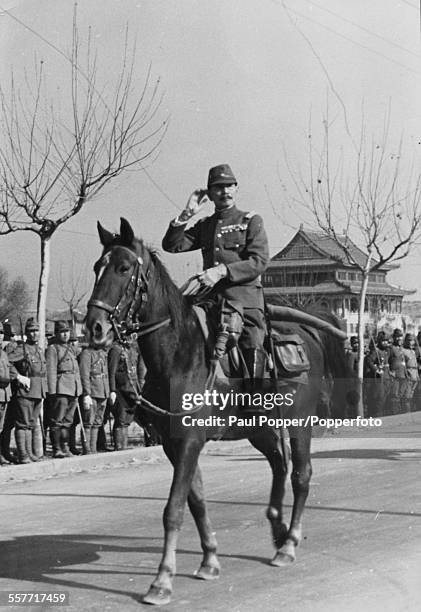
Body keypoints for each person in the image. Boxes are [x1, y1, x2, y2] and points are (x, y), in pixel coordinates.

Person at [162, 163, 269, 383]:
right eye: (218, 188)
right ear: (209, 194)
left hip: (244, 303)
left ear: (237, 188)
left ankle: (255, 403)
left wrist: (222, 271)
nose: (225, 192)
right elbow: (172, 246)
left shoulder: (250, 221)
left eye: (229, 186)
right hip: (210, 302)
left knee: (252, 341)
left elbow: (259, 261)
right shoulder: (206, 225)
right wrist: (186, 214)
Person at [8, 318, 47, 464]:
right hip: (25, 391)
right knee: (22, 424)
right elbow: (7, 361)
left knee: (30, 424)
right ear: (26, 333)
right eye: (31, 331)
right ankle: (22, 454)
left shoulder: (39, 350)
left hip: (38, 391)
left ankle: (29, 452)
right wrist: (18, 376)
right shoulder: (21, 349)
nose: (34, 334)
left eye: (36, 330)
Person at [46, 320, 82, 458]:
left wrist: (79, 389)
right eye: (62, 332)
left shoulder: (71, 349)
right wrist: (52, 392)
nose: (65, 335)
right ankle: (57, 449)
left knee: (68, 421)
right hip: (60, 389)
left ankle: (65, 447)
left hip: (73, 388)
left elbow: (76, 371)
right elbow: (51, 371)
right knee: (57, 420)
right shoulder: (53, 349)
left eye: (67, 332)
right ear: (56, 334)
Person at [108, 335, 146, 450]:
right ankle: (120, 448)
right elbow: (111, 372)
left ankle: (123, 447)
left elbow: (135, 372)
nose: (131, 339)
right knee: (121, 419)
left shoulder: (132, 351)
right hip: (120, 390)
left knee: (127, 420)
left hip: (131, 390)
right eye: (129, 337)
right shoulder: (116, 350)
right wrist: (112, 390)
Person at [79, 342, 110, 454]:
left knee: (97, 422)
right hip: (92, 391)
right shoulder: (86, 354)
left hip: (103, 391)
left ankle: (93, 449)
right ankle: (87, 449)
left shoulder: (103, 353)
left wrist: (108, 391)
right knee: (88, 421)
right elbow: (84, 375)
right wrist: (86, 393)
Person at [364, 331, 391, 417]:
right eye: (383, 341)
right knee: (378, 400)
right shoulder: (376, 351)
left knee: (384, 400)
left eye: (387, 340)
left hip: (386, 379)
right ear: (379, 341)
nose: (385, 342)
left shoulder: (386, 352)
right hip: (379, 380)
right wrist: (376, 370)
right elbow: (368, 360)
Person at [0, 323, 11, 465]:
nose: (0, 336)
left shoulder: (3, 353)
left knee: (1, 428)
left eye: (1, 333)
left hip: (4, 395)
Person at [388, 328, 406, 415]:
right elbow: (387, 361)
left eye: (400, 336)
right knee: (394, 396)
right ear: (394, 338)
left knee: (402, 395)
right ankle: (394, 415)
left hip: (403, 375)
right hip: (395, 376)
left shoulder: (402, 348)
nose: (399, 339)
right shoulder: (391, 348)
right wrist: (390, 372)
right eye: (397, 337)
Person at [402, 333, 419, 413]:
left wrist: (417, 375)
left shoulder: (413, 351)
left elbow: (415, 363)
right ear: (405, 341)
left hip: (415, 376)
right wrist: (406, 375)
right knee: (407, 397)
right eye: (409, 340)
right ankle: (407, 414)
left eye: (412, 340)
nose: (410, 342)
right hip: (408, 375)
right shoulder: (403, 350)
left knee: (412, 397)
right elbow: (403, 365)